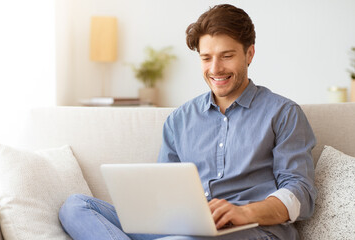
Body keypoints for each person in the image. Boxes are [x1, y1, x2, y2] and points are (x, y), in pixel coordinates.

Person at [59, 4, 316, 240]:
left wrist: (245, 212)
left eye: (226, 56)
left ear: (249, 53)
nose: (215, 69)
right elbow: (163, 190)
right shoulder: (179, 120)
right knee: (76, 207)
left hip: (254, 231)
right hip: (184, 228)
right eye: (206, 58)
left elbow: (301, 194)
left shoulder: (283, 113)